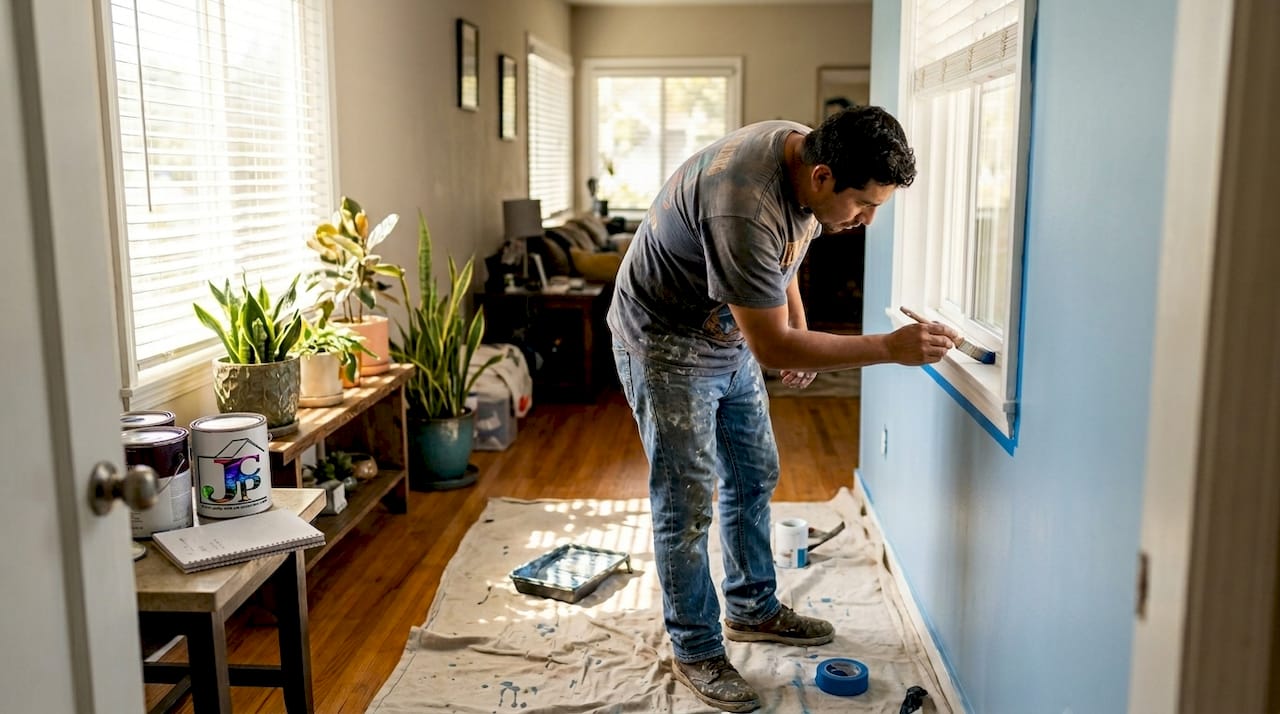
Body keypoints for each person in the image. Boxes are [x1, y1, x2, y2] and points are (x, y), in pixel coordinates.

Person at [606, 106, 958, 713]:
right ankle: (695, 647)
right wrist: (888, 349)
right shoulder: (741, 202)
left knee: (752, 472)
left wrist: (797, 321)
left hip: (726, 330)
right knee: (686, 499)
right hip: (665, 338)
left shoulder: (803, 154)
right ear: (822, 176)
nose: (867, 220)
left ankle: (752, 608)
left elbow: (783, 254)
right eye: (864, 205)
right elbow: (770, 346)